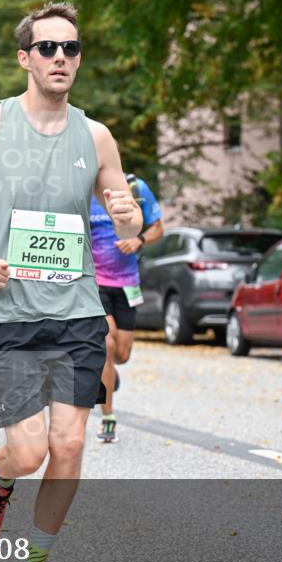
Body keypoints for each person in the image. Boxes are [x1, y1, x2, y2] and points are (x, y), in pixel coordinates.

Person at [0, 2, 142, 562]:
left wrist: (127, 215)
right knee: (28, 454)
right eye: (47, 48)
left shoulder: (96, 136)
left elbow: (126, 215)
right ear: (25, 58)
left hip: (77, 308)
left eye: (70, 48)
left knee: (68, 446)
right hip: (7, 310)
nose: (60, 58)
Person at [91, 173, 163, 442]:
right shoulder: (83, 188)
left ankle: (107, 370)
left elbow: (158, 228)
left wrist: (139, 241)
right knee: (106, 343)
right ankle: (108, 417)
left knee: (121, 354)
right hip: (94, 281)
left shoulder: (135, 187)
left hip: (127, 283)